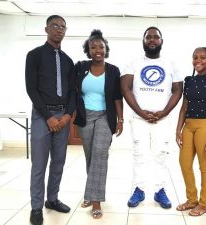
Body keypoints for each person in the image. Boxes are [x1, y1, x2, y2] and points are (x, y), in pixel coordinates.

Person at [121, 26, 183, 209]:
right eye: (149, 37)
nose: (152, 40)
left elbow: (178, 90)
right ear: (143, 41)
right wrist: (141, 112)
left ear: (161, 41)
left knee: (160, 155)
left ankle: (160, 190)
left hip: (162, 120)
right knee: (140, 155)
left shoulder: (170, 63)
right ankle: (138, 190)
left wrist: (164, 112)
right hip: (139, 119)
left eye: (156, 37)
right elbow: (125, 88)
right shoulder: (133, 62)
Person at [25, 15, 76, 225]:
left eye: (63, 27)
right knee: (39, 164)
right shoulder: (34, 55)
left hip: (63, 117)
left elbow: (73, 92)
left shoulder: (68, 61)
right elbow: (31, 88)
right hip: (41, 116)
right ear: (46, 28)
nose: (59, 30)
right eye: (55, 26)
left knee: (58, 162)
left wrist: (66, 116)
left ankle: (52, 199)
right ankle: (36, 207)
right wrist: (48, 116)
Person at [73, 29, 123, 219]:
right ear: (88, 50)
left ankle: (95, 201)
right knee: (90, 157)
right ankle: (91, 191)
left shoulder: (113, 70)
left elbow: (117, 97)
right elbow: (73, 91)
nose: (97, 50)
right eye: (93, 47)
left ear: (105, 49)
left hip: (105, 116)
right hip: (85, 117)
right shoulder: (80, 67)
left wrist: (121, 119)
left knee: (100, 154)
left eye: (100, 46)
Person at [176, 47, 206, 216]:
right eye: (195, 57)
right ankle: (192, 200)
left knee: (204, 166)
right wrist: (178, 130)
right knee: (184, 163)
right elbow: (184, 108)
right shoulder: (188, 80)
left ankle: (203, 204)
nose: (198, 60)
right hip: (188, 125)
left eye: (203, 57)